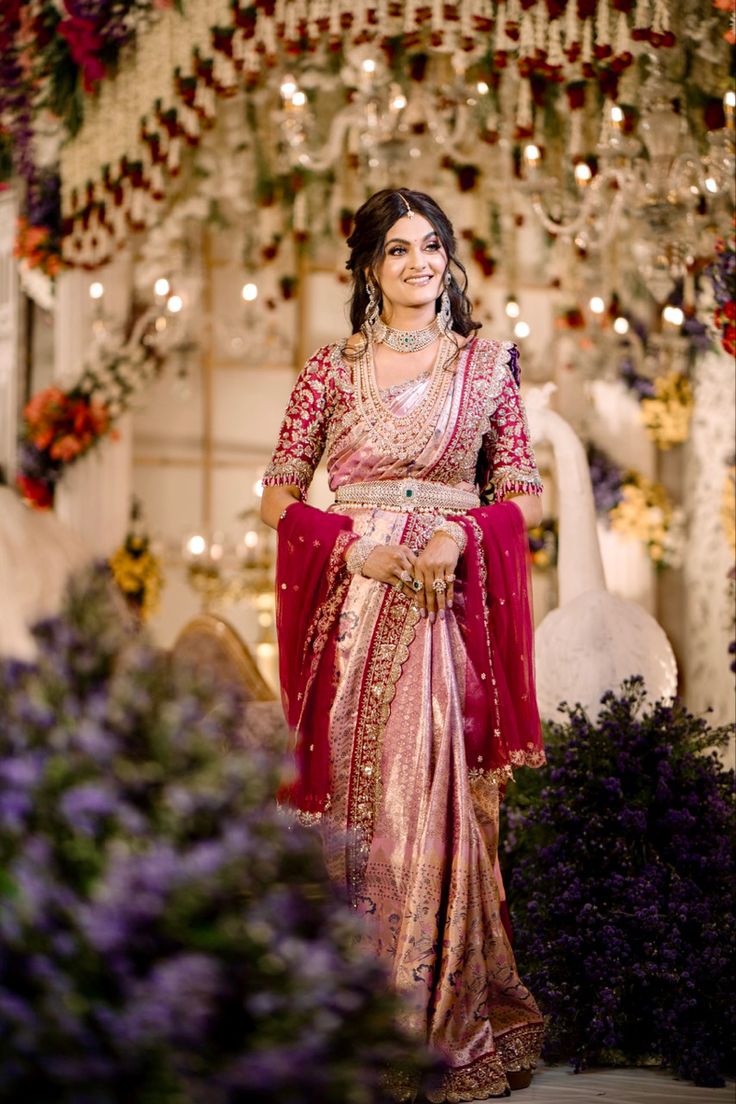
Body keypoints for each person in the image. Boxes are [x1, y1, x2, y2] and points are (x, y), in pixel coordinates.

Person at [261, 188, 546, 1102]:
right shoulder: (329, 371)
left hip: (446, 605)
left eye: (431, 246)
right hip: (355, 606)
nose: (418, 263)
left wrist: (459, 536)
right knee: (359, 802)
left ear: (448, 257)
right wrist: (356, 548)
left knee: (437, 796)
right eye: (397, 250)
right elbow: (277, 495)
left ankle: (436, 1017)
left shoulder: (489, 366)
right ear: (369, 267)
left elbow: (523, 491)